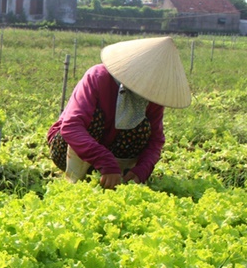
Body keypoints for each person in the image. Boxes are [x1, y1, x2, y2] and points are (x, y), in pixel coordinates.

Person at [47, 36, 191, 189]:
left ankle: (114, 177)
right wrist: (105, 161)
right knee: (93, 120)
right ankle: (86, 175)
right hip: (68, 151)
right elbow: (71, 127)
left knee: (143, 128)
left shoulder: (152, 96)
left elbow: (155, 140)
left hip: (115, 161)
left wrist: (142, 170)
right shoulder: (98, 77)